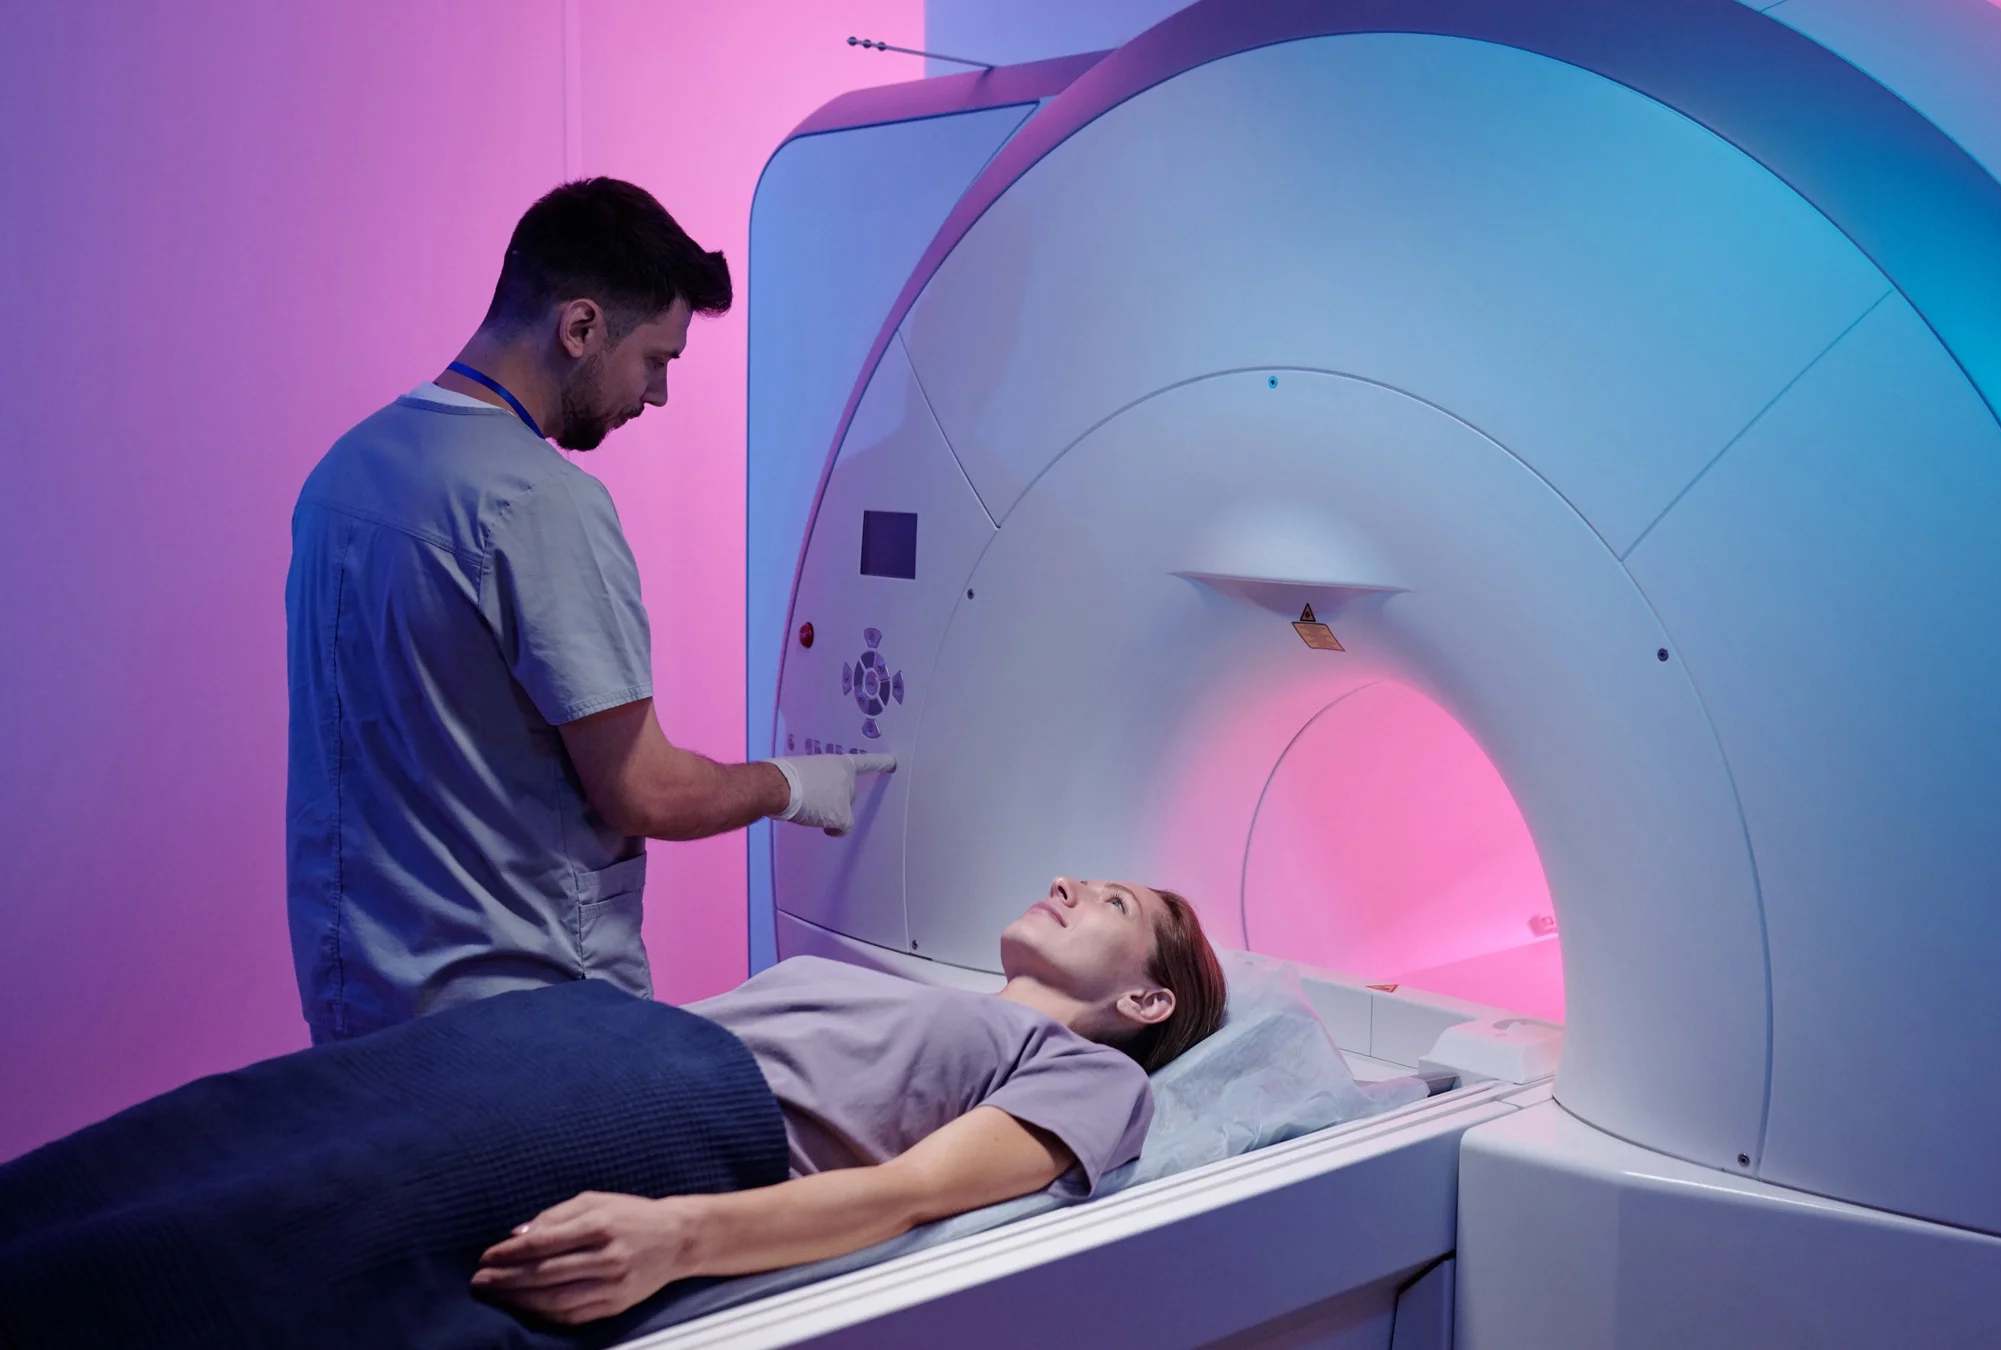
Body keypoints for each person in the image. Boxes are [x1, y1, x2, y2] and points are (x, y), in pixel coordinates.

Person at [0, 878, 1228, 1347]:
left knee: (279, 1225)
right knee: (230, 1128)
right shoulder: (909, 991)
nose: (1067, 880)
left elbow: (914, 1198)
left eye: (1109, 894)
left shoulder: (1093, 1078)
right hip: (578, 1037)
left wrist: (680, 1237)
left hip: (670, 1108)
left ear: (1144, 992)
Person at [286, 176, 887, 1044]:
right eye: (657, 360)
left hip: (364, 995)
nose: (658, 394)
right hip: (521, 1015)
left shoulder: (344, 473)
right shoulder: (539, 501)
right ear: (580, 328)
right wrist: (796, 783)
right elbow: (645, 791)